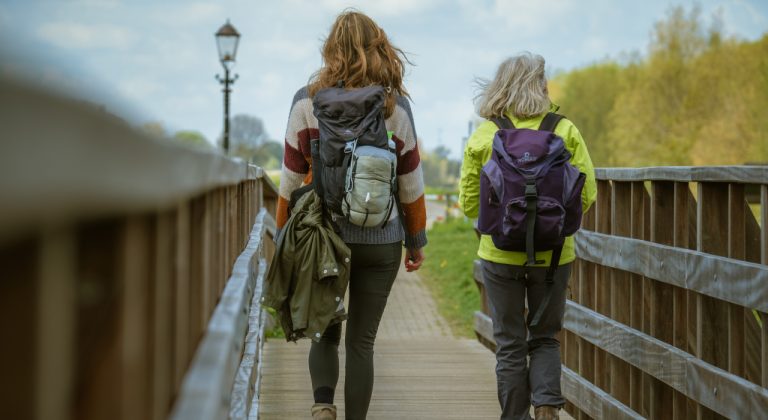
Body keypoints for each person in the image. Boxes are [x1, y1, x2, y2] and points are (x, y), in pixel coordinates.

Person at [275, 10, 428, 420]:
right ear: (379, 47)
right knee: (362, 342)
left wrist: (282, 237)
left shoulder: (305, 99)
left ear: (330, 50)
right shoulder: (396, 104)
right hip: (380, 240)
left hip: (324, 238)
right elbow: (410, 183)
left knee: (325, 331)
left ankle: (323, 407)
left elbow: (290, 179)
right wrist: (415, 242)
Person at [459, 52, 597, 420]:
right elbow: (587, 194)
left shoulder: (487, 133)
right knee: (545, 338)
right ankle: (548, 408)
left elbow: (469, 203)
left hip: (500, 255)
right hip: (554, 257)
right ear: (540, 84)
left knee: (509, 344)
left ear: (500, 86)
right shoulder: (564, 129)